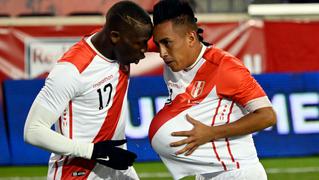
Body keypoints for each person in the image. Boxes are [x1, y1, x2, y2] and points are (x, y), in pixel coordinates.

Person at [23, 1, 152, 179]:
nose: (145, 50)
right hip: (77, 171)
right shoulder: (72, 70)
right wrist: (94, 152)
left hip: (116, 164)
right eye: (141, 44)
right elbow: (33, 130)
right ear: (115, 36)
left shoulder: (122, 46)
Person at [148, 0, 277, 179]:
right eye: (158, 44)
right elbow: (128, 41)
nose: (161, 53)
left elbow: (267, 116)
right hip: (207, 173)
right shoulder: (173, 49)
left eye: (166, 43)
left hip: (237, 173)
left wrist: (212, 133)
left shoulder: (225, 68)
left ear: (191, 38)